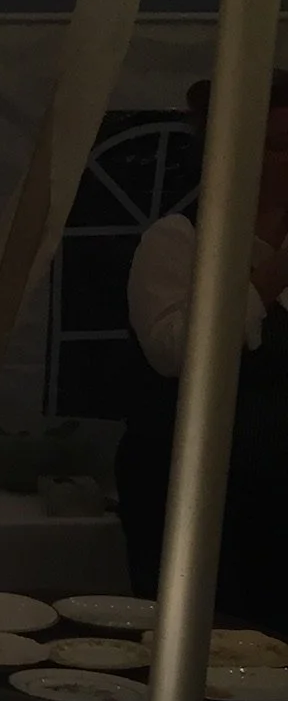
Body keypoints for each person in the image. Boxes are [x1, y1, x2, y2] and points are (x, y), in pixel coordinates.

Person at [116, 72, 288, 631]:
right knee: (203, 640)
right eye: (278, 146)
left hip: (280, 494)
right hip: (191, 486)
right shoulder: (178, 240)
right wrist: (266, 281)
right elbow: (175, 353)